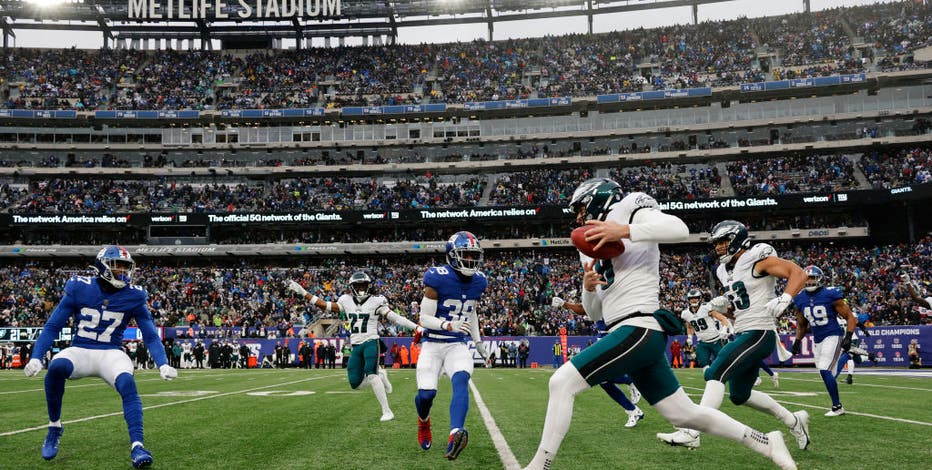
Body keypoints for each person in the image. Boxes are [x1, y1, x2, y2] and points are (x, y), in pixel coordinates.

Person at [524, 180, 796, 470]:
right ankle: (767, 442)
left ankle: (540, 465)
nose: (578, 217)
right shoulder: (588, 245)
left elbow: (679, 229)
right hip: (626, 330)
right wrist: (588, 288)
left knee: (561, 382)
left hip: (639, 326)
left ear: (598, 199)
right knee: (685, 415)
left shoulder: (628, 207)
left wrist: (625, 230)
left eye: (580, 208)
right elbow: (594, 313)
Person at [658, 220, 809, 452]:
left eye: (723, 241)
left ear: (737, 239)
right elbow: (740, 303)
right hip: (744, 332)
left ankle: (693, 431)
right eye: (716, 242)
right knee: (740, 395)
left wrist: (786, 298)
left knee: (715, 372)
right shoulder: (723, 270)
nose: (718, 246)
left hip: (760, 332)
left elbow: (797, 272)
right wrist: (725, 303)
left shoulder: (756, 257)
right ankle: (794, 421)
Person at [23, 245, 178, 468]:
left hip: (111, 353)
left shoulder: (134, 295)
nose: (122, 273)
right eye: (117, 267)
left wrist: (162, 363)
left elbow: (151, 335)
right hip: (81, 350)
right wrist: (37, 356)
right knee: (56, 368)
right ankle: (54, 426)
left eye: (126, 268)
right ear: (102, 266)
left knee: (127, 383)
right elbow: (53, 325)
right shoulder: (80, 287)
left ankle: (138, 445)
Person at [288, 271, 416, 422]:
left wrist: (416, 327)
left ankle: (387, 411)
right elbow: (324, 305)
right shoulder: (345, 300)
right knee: (355, 384)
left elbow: (395, 318)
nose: (361, 288)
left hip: (371, 341)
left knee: (371, 374)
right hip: (356, 344)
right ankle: (382, 375)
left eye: (364, 285)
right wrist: (303, 292)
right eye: (358, 285)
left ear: (369, 286)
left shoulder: (377, 301)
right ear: (352, 287)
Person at [414, 231, 491, 461]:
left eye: (473, 255)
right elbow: (424, 319)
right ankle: (423, 422)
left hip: (457, 345)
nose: (470, 260)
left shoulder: (480, 280)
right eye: (465, 255)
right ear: (452, 255)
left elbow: (472, 311)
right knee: (426, 395)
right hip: (434, 344)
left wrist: (478, 342)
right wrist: (448, 325)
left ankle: (455, 432)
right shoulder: (438, 277)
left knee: (461, 379)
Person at [789, 265, 858, 416]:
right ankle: (846, 356)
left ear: (819, 279)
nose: (809, 281)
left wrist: (848, 336)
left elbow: (850, 317)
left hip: (833, 335)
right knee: (827, 375)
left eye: (812, 278)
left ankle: (837, 407)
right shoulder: (799, 298)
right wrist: (797, 341)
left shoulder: (830, 294)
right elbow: (801, 324)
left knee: (824, 369)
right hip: (818, 339)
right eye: (807, 278)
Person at [679, 289, 732, 369]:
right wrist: (689, 337)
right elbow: (689, 326)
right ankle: (709, 380)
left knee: (724, 363)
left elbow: (723, 319)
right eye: (691, 298)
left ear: (699, 298)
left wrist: (724, 329)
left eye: (696, 298)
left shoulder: (706, 308)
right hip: (702, 342)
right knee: (703, 363)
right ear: (688, 300)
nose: (694, 300)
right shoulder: (686, 313)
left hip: (716, 340)